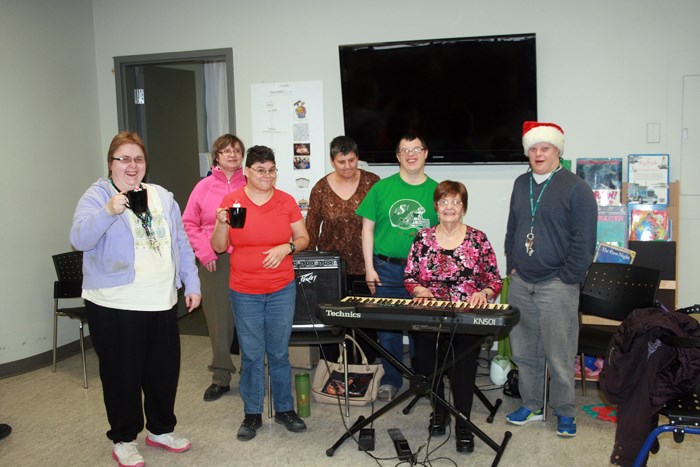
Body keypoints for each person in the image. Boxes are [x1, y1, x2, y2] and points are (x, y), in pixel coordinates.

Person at [70, 131, 201, 467]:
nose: (132, 165)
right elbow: (79, 239)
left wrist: (192, 281)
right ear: (111, 164)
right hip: (114, 303)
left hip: (159, 299)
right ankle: (124, 438)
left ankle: (160, 430)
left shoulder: (160, 196)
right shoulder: (97, 195)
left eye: (138, 159)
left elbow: (181, 242)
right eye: (124, 159)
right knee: (121, 374)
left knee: (162, 371)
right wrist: (108, 211)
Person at [211, 145, 310, 441]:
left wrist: (287, 247)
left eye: (271, 170)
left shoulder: (286, 201)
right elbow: (218, 247)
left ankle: (283, 409)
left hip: (281, 288)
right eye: (260, 170)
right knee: (252, 355)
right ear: (247, 172)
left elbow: (303, 237)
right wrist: (220, 223)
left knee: (279, 353)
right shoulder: (232, 201)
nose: (267, 175)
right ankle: (252, 413)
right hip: (245, 290)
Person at [504, 121, 597, 437]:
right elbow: (513, 227)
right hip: (521, 282)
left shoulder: (576, 188)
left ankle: (565, 411)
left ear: (557, 150)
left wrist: (568, 277)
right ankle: (531, 404)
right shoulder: (521, 183)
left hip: (557, 285)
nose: (538, 154)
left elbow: (584, 240)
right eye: (533, 149)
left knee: (559, 354)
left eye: (545, 148)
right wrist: (512, 265)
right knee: (523, 351)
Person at [404, 180, 502, 453]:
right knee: (425, 361)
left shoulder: (478, 238)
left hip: (467, 316)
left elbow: (494, 278)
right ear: (436, 207)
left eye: (455, 202)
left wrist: (484, 291)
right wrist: (420, 288)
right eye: (444, 202)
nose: (449, 207)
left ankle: (463, 421)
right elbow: (410, 277)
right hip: (430, 314)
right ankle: (440, 410)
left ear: (464, 208)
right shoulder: (422, 238)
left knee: (464, 364)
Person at [356, 134, 438, 401]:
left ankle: (421, 378)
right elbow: (367, 230)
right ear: (398, 157)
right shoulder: (381, 188)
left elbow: (446, 234)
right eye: (405, 150)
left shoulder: (438, 191)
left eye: (416, 149)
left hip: (423, 274)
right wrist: (369, 268)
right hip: (386, 269)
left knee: (421, 329)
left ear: (425, 153)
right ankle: (391, 378)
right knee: (387, 329)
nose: (411, 154)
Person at [183, 134, 246, 402]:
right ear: (216, 156)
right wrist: (206, 251)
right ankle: (221, 377)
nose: (232, 154)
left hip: (246, 259)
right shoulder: (203, 187)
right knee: (219, 322)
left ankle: (251, 375)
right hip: (215, 261)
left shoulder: (252, 183)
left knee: (249, 319)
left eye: (237, 150)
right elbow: (189, 223)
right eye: (225, 150)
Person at [306, 136, 380, 363]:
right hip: (331, 267)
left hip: (365, 265)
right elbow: (310, 225)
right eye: (342, 162)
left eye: (352, 160)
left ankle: (365, 367)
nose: (347, 167)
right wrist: (308, 264)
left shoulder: (373, 182)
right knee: (333, 320)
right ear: (332, 161)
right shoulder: (321, 188)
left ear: (357, 158)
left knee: (366, 320)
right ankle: (332, 366)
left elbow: (382, 222)